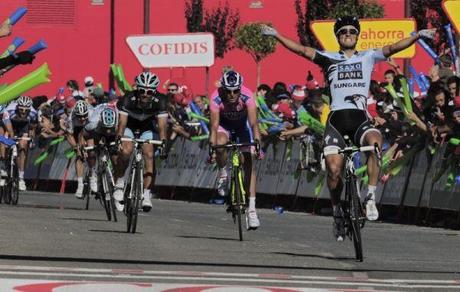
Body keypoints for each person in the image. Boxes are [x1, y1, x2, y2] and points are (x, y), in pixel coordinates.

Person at [262, 16, 436, 241]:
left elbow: (393, 47)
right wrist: (276, 35)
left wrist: (417, 35)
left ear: (357, 35)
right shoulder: (328, 58)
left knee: (375, 144)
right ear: (337, 35)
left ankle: (371, 197)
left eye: (352, 31)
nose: (348, 33)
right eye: (343, 31)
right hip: (336, 122)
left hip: (360, 120)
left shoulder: (368, 56)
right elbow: (302, 50)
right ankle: (336, 212)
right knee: (334, 172)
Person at [209, 70, 261, 230]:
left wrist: (257, 140)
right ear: (223, 89)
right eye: (228, 91)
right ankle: (224, 172)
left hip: (242, 127)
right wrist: (212, 146)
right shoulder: (215, 97)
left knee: (249, 162)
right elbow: (214, 125)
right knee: (220, 142)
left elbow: (253, 122)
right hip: (224, 127)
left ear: (240, 88)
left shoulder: (247, 95)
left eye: (235, 91)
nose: (232, 94)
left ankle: (252, 210)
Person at [113, 72, 168, 212]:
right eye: (142, 90)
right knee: (126, 150)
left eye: (149, 91)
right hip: (129, 126)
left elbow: (162, 126)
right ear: (137, 89)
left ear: (154, 91)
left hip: (146, 127)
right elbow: (122, 123)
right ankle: (119, 183)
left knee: (149, 154)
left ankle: (146, 194)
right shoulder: (128, 99)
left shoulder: (161, 100)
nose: (145, 94)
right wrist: (119, 138)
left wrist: (163, 142)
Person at [2, 96, 38, 191]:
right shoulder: (9, 110)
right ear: (18, 107)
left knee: (23, 146)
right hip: (10, 124)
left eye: (26, 110)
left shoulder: (34, 113)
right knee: (5, 141)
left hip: (23, 126)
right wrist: (11, 135)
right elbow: (8, 127)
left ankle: (21, 177)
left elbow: (32, 128)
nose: (23, 112)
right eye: (21, 109)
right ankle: (3, 165)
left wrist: (32, 139)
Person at [63, 100, 93, 198]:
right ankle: (80, 185)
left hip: (89, 129)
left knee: (91, 149)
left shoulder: (92, 113)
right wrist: (76, 148)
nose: (82, 118)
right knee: (79, 155)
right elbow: (69, 135)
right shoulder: (71, 118)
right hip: (76, 130)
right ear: (75, 114)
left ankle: (93, 175)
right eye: (80, 116)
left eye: (84, 115)